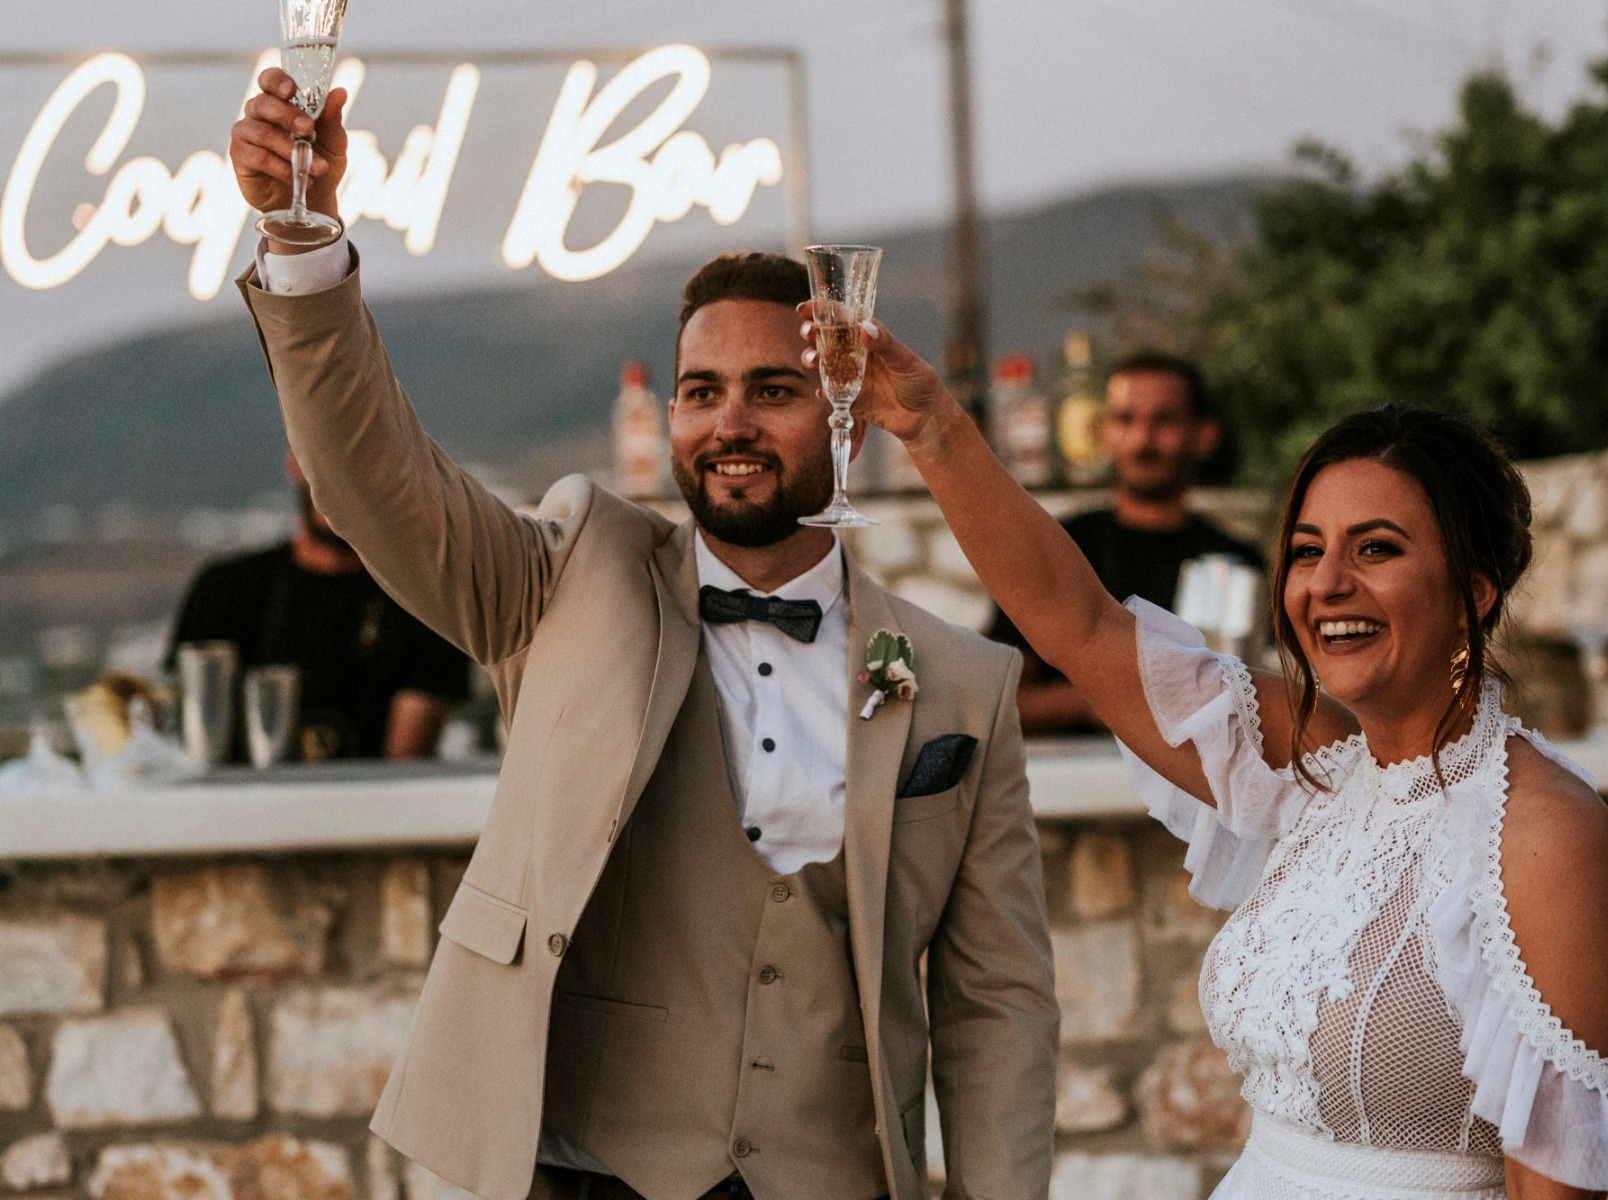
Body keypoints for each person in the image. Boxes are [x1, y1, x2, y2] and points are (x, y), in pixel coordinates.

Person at [228, 69, 1057, 1200]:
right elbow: (371, 479)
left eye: (774, 390)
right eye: (699, 390)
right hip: (589, 1172)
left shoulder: (962, 685)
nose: (729, 423)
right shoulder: (574, 571)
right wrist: (304, 244)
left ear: (845, 408)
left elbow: (996, 1002)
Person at [820, 313, 1608, 1200]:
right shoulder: (1316, 766)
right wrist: (932, 427)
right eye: (1307, 551)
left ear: (1474, 590)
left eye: (1376, 548)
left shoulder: (1545, 836)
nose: (1327, 584)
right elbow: (1080, 625)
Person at [986, 351, 1260, 735]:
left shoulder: (1238, 561)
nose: (1142, 439)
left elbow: (1266, 700)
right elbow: (997, 700)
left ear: (1205, 436)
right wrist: (1111, 700)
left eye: (1164, 420)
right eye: (1126, 419)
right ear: (1104, 433)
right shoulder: (1059, 548)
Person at [164, 451, 470, 761]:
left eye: (355, 456)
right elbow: (193, 745)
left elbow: (403, 769)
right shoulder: (225, 591)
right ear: (293, 462)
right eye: (321, 451)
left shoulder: (425, 602)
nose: (335, 478)